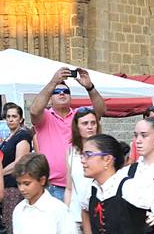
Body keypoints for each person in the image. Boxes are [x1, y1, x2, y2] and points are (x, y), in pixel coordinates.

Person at [29, 67, 106, 201]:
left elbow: (100, 111)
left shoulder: (78, 115)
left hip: (82, 184)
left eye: (66, 91)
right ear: (50, 99)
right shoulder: (45, 117)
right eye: (56, 92)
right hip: (52, 187)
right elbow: (34, 110)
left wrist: (90, 88)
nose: (62, 93)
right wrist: (53, 82)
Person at [0, 102, 33, 234]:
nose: (11, 119)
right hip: (4, 184)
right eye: (8, 116)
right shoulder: (9, 137)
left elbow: (19, 162)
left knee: (11, 221)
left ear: (21, 119)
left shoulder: (22, 136)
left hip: (14, 185)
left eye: (14, 116)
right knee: (6, 220)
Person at [63, 108, 103, 234]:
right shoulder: (71, 150)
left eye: (93, 123)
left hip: (96, 213)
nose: (90, 127)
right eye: (85, 123)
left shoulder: (104, 150)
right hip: (74, 213)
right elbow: (69, 188)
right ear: (77, 127)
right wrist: (66, 212)